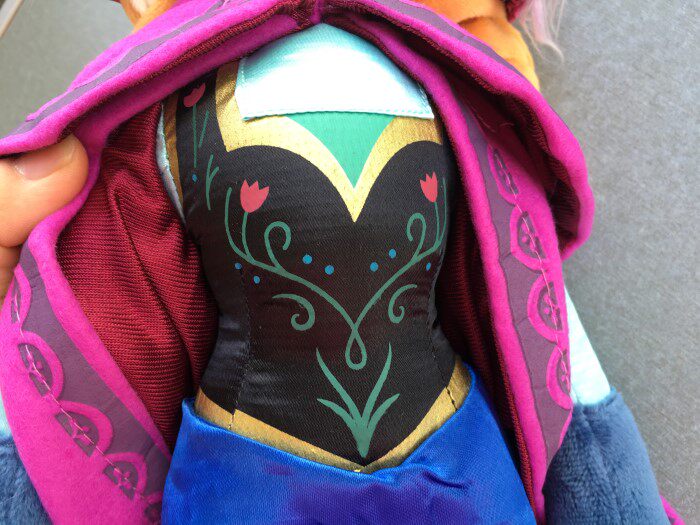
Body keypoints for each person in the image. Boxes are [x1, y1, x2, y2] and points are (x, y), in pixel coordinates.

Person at [0, 0, 678, 523]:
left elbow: (531, 309)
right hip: (269, 482)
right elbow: (98, 300)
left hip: (424, 471)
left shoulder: (455, 87)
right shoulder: (164, 99)